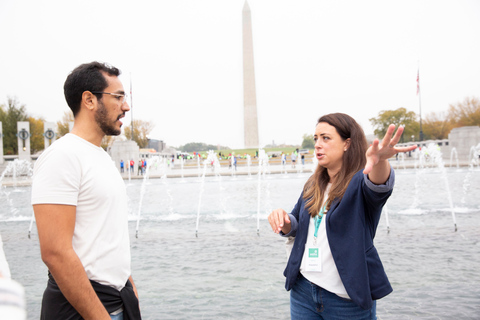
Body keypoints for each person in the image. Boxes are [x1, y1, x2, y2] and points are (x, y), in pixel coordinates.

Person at [268, 113, 416, 319]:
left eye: (326, 138)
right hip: (303, 291)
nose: (318, 144)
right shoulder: (313, 183)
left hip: (346, 299)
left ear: (347, 143)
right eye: (316, 138)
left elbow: (379, 186)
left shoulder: (359, 181)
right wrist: (283, 220)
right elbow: (296, 224)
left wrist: (379, 160)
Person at [31, 62, 141, 320]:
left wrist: (131, 291)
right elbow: (55, 253)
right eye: (118, 97)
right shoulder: (62, 157)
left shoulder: (101, 157)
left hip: (118, 304)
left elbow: (108, 238)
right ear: (89, 100)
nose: (125, 106)